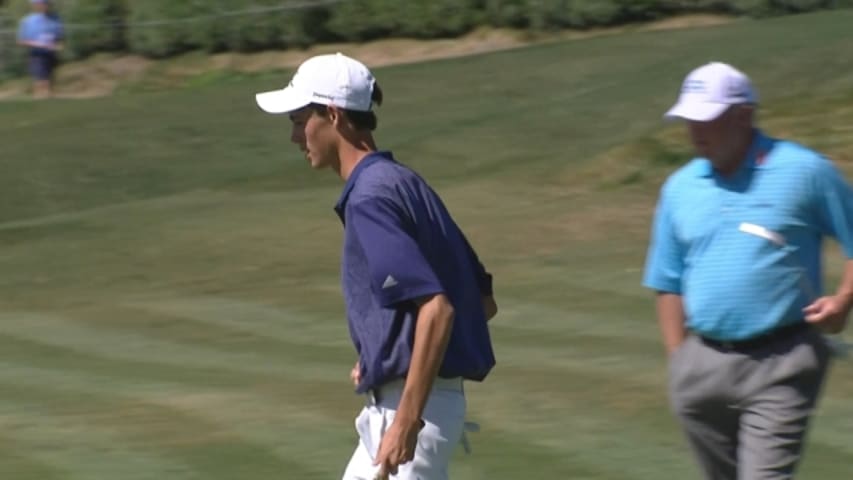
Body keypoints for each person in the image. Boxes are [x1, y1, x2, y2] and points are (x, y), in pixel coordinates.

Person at [254, 52, 498, 480]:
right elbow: (482, 300)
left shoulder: (369, 198)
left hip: (409, 412)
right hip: (420, 406)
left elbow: (439, 309)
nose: (295, 136)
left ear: (332, 115)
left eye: (298, 120)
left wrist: (406, 419)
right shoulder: (404, 183)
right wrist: (384, 351)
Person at [643, 61, 853, 480]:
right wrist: (679, 361)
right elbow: (668, 280)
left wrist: (844, 301)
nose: (695, 131)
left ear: (744, 115)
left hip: (784, 359)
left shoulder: (805, 171)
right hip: (701, 366)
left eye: (707, 119)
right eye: (689, 120)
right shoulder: (679, 187)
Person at [16, 0, 64, 99]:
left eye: (45, 4)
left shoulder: (56, 18)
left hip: (51, 55)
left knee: (50, 82)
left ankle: (48, 104)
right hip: (36, 56)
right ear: (35, 5)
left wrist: (58, 46)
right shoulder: (27, 21)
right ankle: (39, 100)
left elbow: (59, 38)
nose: (43, 6)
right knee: (41, 82)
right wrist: (38, 44)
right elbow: (21, 41)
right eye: (40, 4)